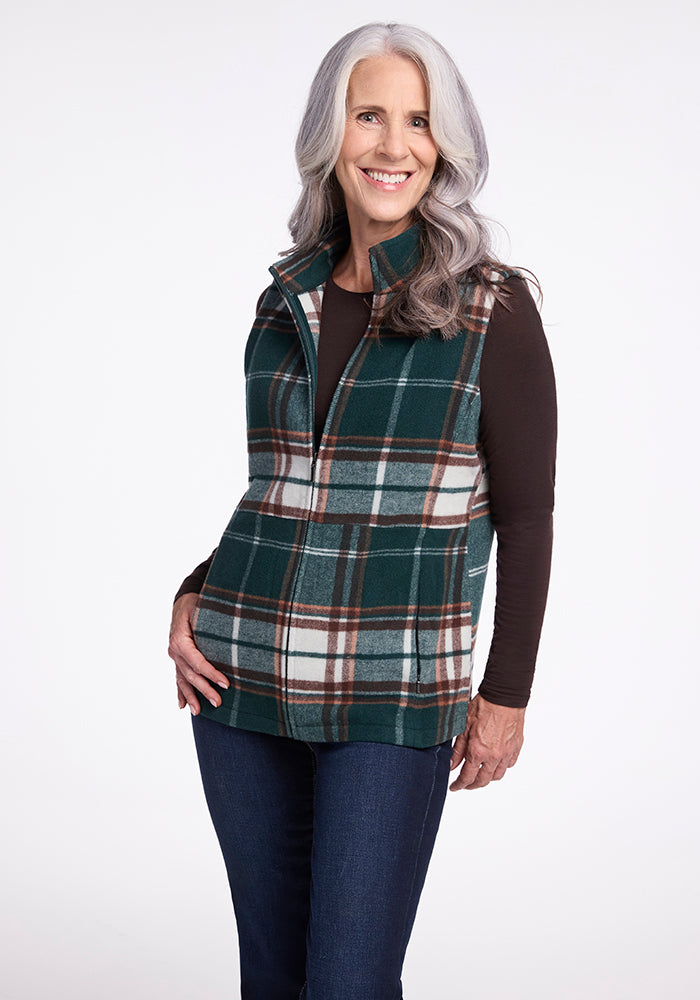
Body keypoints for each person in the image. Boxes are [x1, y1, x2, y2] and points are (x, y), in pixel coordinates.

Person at [168, 21, 556, 1000]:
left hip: (393, 691)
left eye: (418, 121)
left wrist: (505, 695)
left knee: (347, 982)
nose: (394, 144)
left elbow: (527, 515)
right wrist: (193, 591)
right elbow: (280, 489)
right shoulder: (282, 303)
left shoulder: (490, 309)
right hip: (243, 681)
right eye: (368, 115)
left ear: (445, 143)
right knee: (272, 979)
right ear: (329, 134)